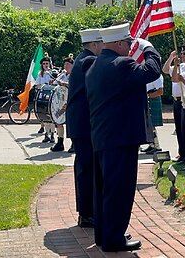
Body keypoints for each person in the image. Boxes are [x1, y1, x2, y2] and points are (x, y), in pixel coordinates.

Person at [85, 23, 162, 252]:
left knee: (104, 189)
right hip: (120, 138)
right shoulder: (121, 64)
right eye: (128, 43)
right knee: (119, 189)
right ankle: (114, 239)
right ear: (119, 43)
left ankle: (104, 233)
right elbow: (152, 71)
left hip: (102, 137)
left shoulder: (95, 66)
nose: (130, 47)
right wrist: (149, 48)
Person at [66, 28, 103, 229]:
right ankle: (88, 214)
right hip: (85, 124)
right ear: (95, 44)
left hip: (79, 123)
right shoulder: (89, 61)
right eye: (102, 44)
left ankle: (86, 212)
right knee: (88, 168)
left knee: (84, 167)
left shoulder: (81, 59)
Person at [161, 44, 185, 163]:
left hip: (184, 100)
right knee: (179, 129)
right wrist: (171, 58)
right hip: (175, 100)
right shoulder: (180, 66)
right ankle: (182, 153)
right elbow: (165, 70)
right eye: (181, 53)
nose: (182, 55)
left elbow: (176, 79)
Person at [50, 55, 74, 152]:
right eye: (65, 64)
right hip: (61, 102)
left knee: (71, 123)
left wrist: (64, 84)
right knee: (58, 121)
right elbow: (56, 83)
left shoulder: (75, 74)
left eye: (68, 64)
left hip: (71, 102)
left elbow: (74, 85)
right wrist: (54, 82)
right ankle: (60, 143)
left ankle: (74, 144)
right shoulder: (62, 74)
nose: (65, 66)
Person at [35, 55, 55, 143]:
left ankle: (53, 135)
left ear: (50, 64)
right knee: (45, 116)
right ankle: (47, 134)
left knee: (52, 117)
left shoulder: (53, 73)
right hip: (44, 96)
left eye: (47, 63)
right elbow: (37, 85)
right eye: (44, 64)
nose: (46, 65)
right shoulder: (40, 74)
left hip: (52, 97)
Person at [142, 73, 164, 154]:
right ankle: (152, 145)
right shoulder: (151, 75)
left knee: (152, 124)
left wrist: (147, 96)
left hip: (153, 98)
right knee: (149, 124)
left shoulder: (157, 76)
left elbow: (160, 91)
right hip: (149, 97)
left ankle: (157, 146)